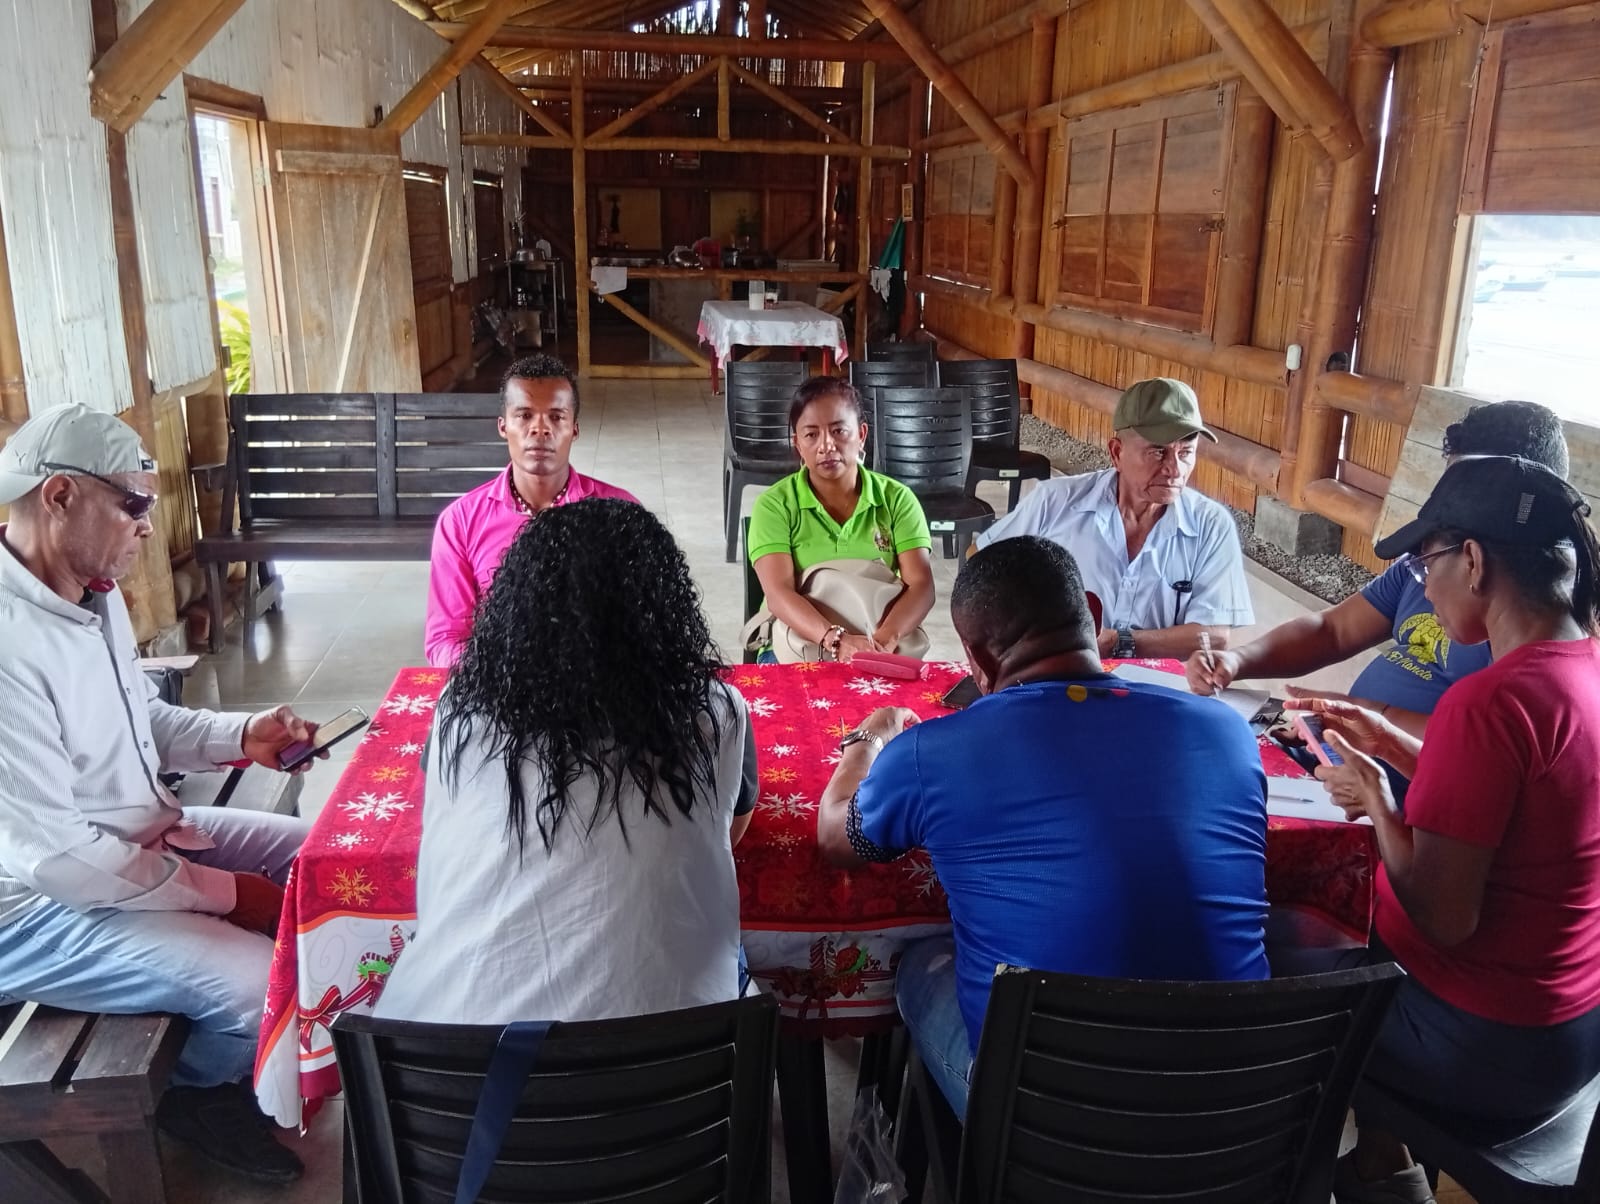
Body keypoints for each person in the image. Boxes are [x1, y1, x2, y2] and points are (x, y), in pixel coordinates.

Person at [816, 535, 1270, 1118]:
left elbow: (835, 838)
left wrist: (868, 740)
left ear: (978, 662)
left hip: (1045, 1119)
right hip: (1243, 1107)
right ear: (1093, 616)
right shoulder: (1226, 731)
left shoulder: (932, 753)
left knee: (917, 960)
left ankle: (953, 1150)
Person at [0, 404, 319, 1184]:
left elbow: (143, 717)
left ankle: (260, 1052)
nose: (148, 526)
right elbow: (60, 861)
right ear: (61, 495)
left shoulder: (89, 589)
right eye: (134, 504)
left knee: (323, 860)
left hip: (130, 840)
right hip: (35, 907)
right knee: (257, 985)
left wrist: (242, 736)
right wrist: (222, 893)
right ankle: (195, 1093)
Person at [1296, 456, 1600, 1204]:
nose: (1424, 589)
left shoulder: (1490, 702)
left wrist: (1378, 799)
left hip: (1478, 1046)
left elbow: (1442, 915)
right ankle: (1383, 1169)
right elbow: (1512, 804)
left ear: (1474, 561)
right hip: (1570, 1035)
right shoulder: (1583, 671)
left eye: (1427, 564)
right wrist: (1397, 746)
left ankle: (1296, 1177)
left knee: (1281, 953)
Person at [376, 499, 757, 1024]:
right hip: (674, 1066)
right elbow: (727, 832)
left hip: (443, 1059)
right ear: (663, 610)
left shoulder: (458, 713)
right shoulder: (715, 713)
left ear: (516, 607)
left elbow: (448, 819)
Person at [1186, 400, 1570, 745]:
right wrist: (1239, 661)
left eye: (1463, 487)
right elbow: (1333, 630)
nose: (1446, 500)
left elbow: (1485, 747)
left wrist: (1367, 718)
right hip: (1351, 758)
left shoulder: (1528, 617)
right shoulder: (1431, 562)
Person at [974, 377, 1252, 659]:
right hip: (1061, 670)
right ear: (1117, 453)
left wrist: (1120, 642)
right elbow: (980, 562)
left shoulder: (1211, 525)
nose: (1175, 469)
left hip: (1156, 682)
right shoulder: (1055, 501)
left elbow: (1214, 636)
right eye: (1158, 452)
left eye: (1186, 453)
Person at [424, 354, 639, 666]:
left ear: (574, 429)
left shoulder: (621, 513)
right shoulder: (459, 523)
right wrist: (499, 669)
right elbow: (446, 639)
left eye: (556, 417)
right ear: (503, 426)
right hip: (500, 681)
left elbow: (643, 625)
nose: (540, 429)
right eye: (524, 416)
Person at [746, 376, 934, 662]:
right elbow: (778, 593)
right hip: (796, 646)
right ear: (797, 444)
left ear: (861, 434)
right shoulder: (775, 505)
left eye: (839, 431)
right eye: (811, 435)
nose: (826, 445)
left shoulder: (897, 500)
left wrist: (883, 641)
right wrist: (836, 640)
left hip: (879, 642)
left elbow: (921, 586)